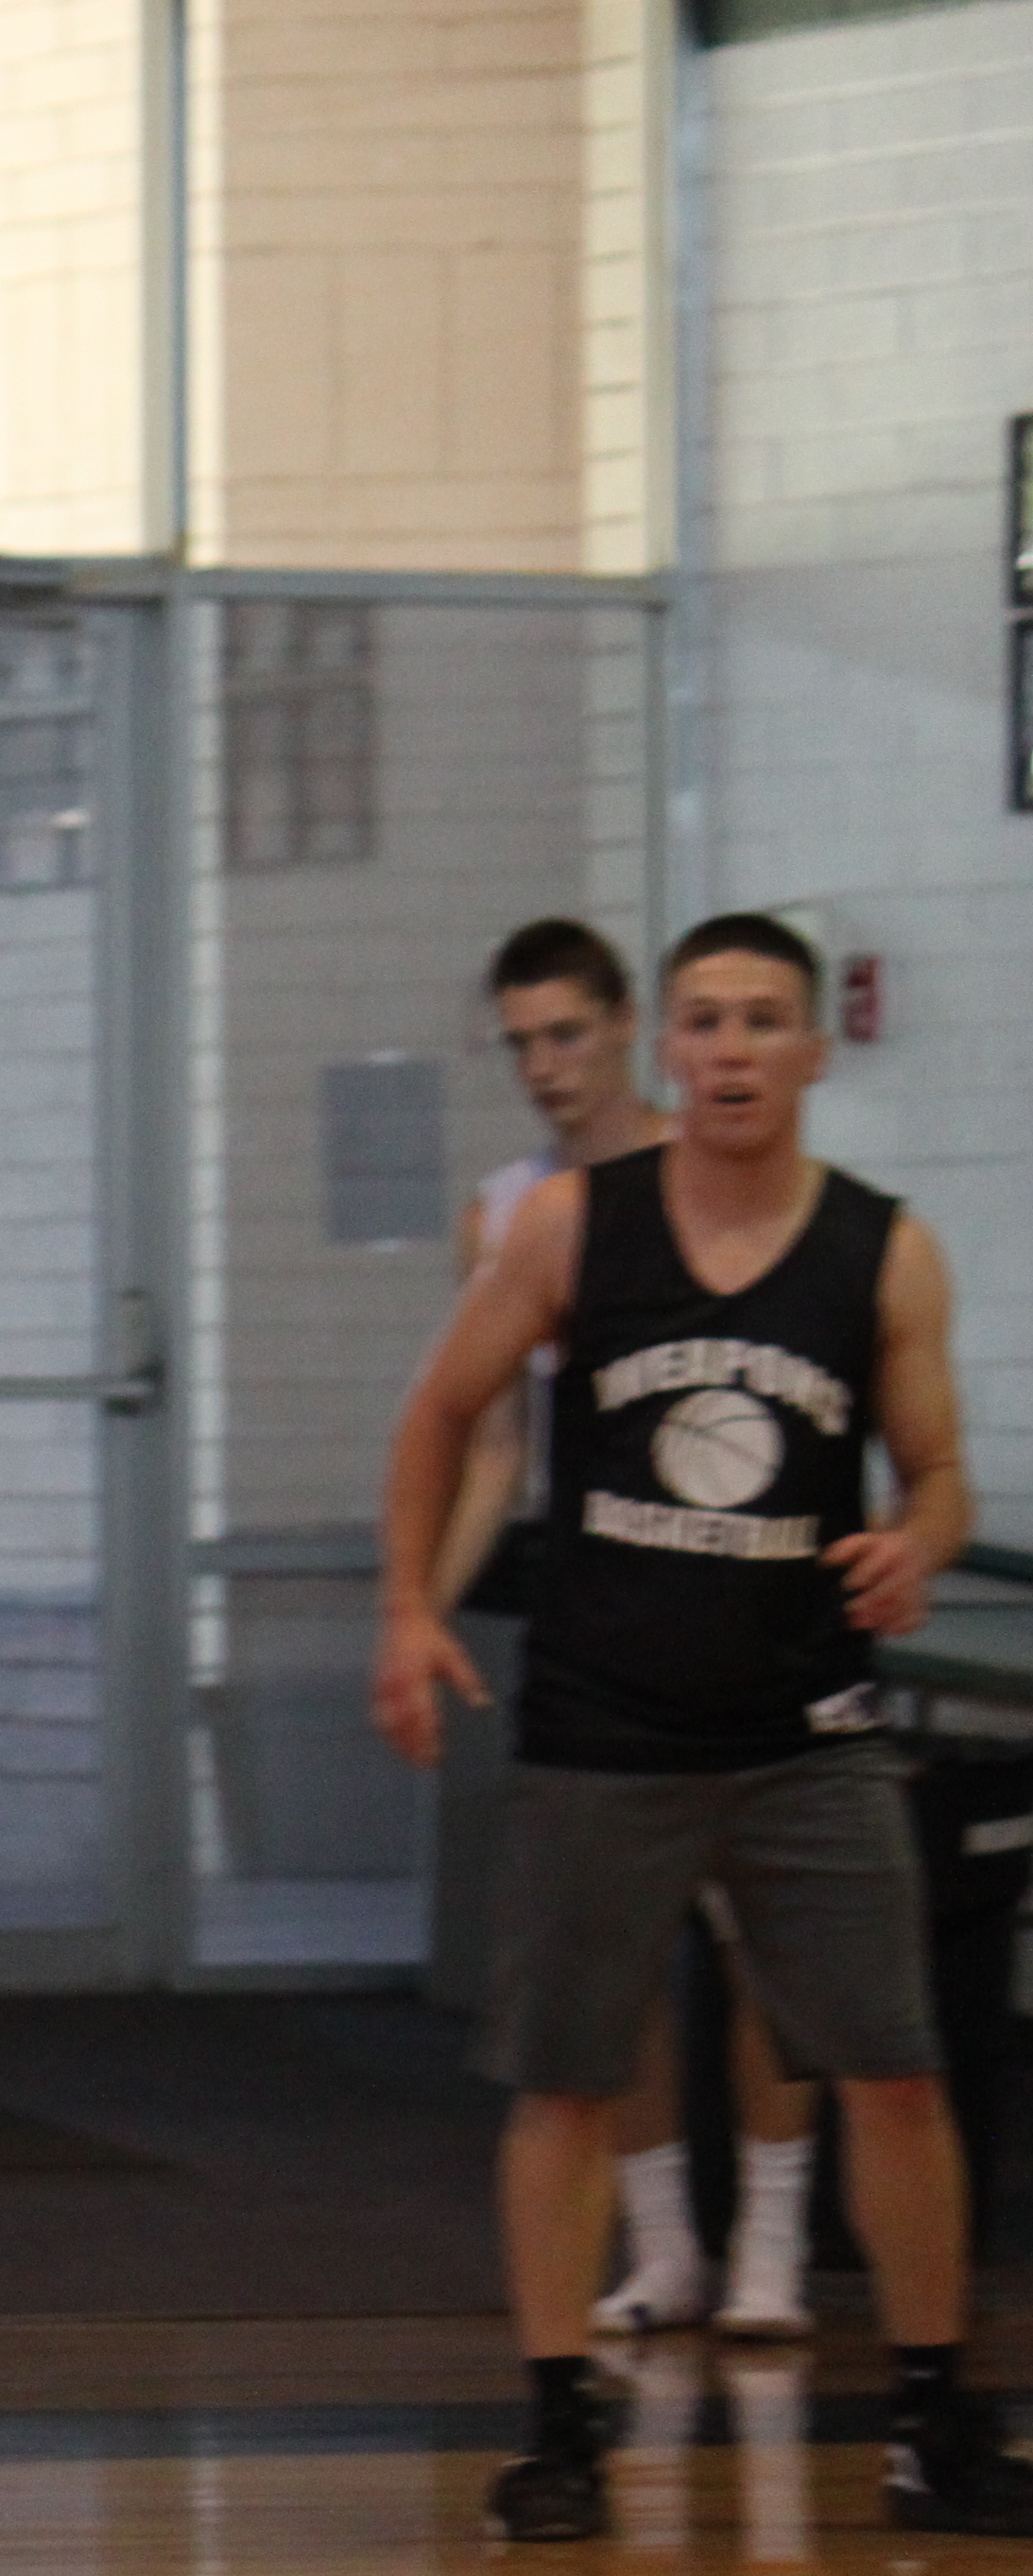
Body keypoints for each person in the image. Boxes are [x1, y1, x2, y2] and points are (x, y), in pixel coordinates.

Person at [376, 912, 1031, 2545]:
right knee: (563, 2082)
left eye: (761, 1020)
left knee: (895, 2070)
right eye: (706, 1020)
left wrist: (918, 1542)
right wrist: (405, 1609)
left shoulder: (879, 1248)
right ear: (667, 1049)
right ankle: (558, 2429)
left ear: (813, 1050)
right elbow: (441, 1410)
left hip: (806, 1726)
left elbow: (937, 1472)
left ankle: (933, 2423)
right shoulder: (570, 1228)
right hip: (606, 1725)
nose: (732, 1048)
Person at [440, 919, 823, 2343]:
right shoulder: (508, 1215)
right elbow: (489, 1442)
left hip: (746, 1593)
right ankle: (666, 2248)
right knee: (615, 1962)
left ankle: (774, 2247)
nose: (546, 1066)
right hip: (599, 1606)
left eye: (565, 1035)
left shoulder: (711, 1173)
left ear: (621, 1031)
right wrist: (419, 1603)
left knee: (763, 1947)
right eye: (521, 1044)